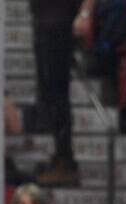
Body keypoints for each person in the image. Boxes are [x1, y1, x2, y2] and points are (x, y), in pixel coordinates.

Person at [30, 1, 87, 186]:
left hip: (59, 25)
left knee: (57, 94)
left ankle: (65, 160)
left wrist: (85, 13)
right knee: (48, 92)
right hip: (43, 21)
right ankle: (60, 155)